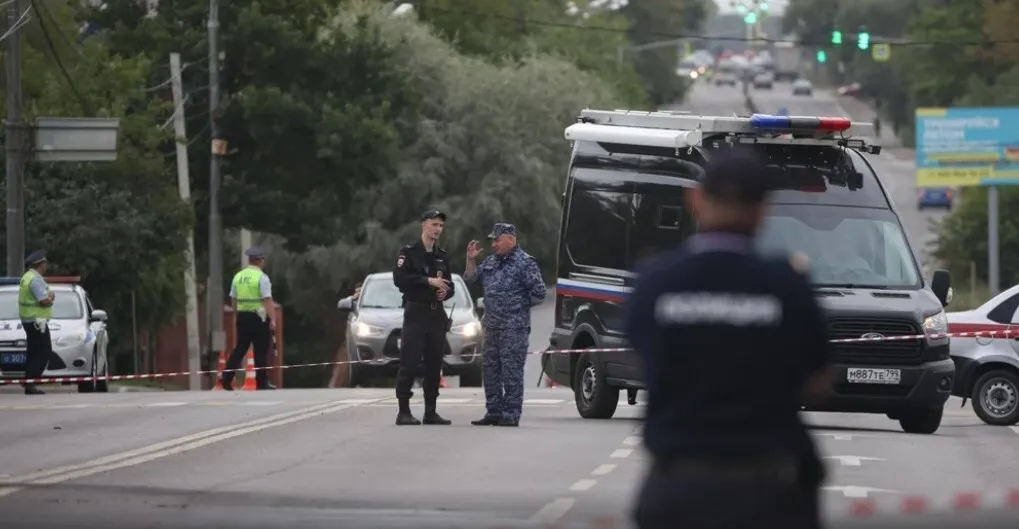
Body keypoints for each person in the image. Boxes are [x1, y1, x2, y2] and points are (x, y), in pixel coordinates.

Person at [624, 148, 834, 529]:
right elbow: (817, 381)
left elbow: (643, 359)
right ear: (764, 210)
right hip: (767, 494)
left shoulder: (655, 283)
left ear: (695, 200)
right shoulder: (788, 287)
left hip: (677, 491)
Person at [464, 223, 546, 427]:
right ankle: (493, 411)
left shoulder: (525, 263)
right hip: (491, 327)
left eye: (497, 239)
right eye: (492, 240)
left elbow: (539, 293)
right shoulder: (492, 262)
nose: (493, 244)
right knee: (490, 371)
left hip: (514, 328)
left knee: (511, 372)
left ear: (511, 238)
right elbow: (471, 277)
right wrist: (471, 259)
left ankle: (510, 414)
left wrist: (517, 307)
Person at [392, 209, 454, 426]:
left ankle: (431, 411)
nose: (437, 229)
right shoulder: (408, 252)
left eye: (440, 226)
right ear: (424, 225)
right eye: (434, 224)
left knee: (434, 364)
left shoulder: (441, 256)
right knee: (409, 362)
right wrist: (428, 282)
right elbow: (400, 279)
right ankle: (403, 411)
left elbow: (449, 284)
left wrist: (445, 291)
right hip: (416, 312)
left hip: (436, 313)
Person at [220, 246, 277, 391]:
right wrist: (273, 319)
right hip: (259, 317)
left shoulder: (238, 276)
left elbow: (233, 298)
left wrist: (236, 313)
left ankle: (226, 378)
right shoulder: (262, 278)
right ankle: (262, 383)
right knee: (261, 350)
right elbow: (267, 300)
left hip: (242, 316)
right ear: (260, 261)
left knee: (239, 348)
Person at [18, 250, 56, 395]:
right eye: (45, 263)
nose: (46, 266)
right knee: (43, 352)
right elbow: (43, 300)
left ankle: (29, 384)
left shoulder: (27, 277)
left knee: (33, 352)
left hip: (30, 320)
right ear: (40, 265)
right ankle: (30, 381)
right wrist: (51, 297)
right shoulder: (35, 279)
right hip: (36, 322)